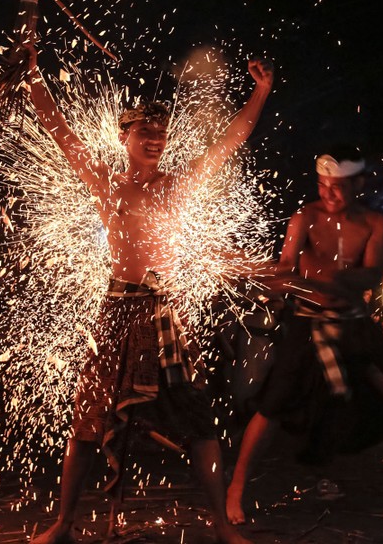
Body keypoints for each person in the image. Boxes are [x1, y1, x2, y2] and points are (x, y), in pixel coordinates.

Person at [26, 39, 272, 544]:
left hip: (164, 314)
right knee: (89, 419)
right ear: (125, 137)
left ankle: (222, 527)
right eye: (145, 132)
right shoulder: (107, 184)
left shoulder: (177, 184)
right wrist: (31, 71)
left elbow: (229, 141)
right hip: (117, 310)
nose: (156, 139)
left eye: (161, 133)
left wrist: (261, 93)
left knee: (197, 420)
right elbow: (58, 130)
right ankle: (63, 524)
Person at [225, 152, 383, 524]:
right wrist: (260, 272)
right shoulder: (305, 217)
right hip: (307, 323)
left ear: (358, 184)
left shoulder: (374, 222)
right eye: (322, 185)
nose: (328, 193)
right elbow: (286, 267)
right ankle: (235, 489)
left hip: (354, 323)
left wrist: (334, 281)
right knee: (272, 406)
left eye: (337, 187)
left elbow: (371, 274)